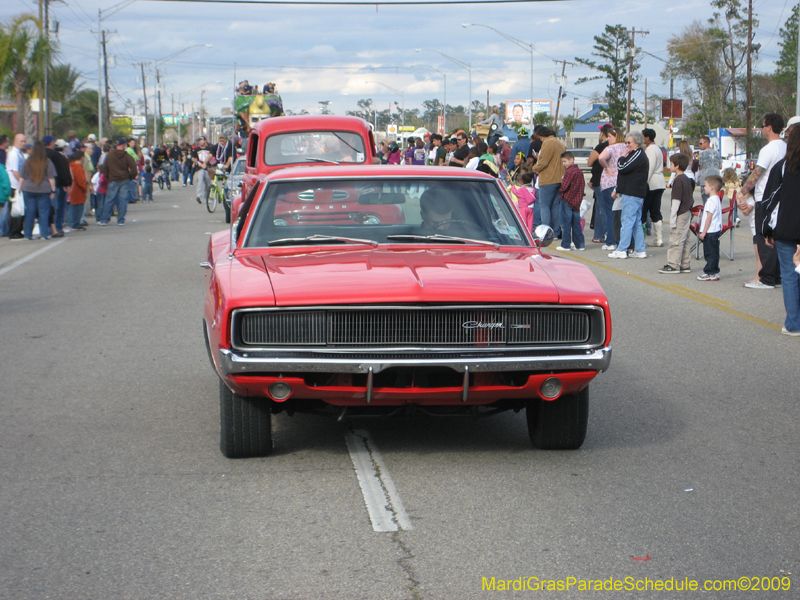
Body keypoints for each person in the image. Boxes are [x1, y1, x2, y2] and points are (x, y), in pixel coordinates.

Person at [738, 113, 786, 290]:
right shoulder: (785, 147)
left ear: (770, 127)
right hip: (781, 199)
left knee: (763, 238)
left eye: (763, 125)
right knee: (777, 240)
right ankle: (776, 276)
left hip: (765, 199)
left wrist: (742, 192)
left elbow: (757, 173)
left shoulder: (768, 149)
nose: (762, 128)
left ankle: (766, 279)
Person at [762, 119, 800, 335]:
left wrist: (767, 229)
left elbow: (770, 200)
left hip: (786, 229)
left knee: (789, 275)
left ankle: (794, 324)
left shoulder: (783, 167)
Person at [608, 132, 649, 259]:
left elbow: (622, 167)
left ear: (637, 143)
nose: (627, 145)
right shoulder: (637, 154)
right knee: (636, 222)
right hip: (633, 192)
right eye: (626, 142)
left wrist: (621, 157)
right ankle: (640, 249)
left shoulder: (637, 154)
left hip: (632, 193)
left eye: (629, 142)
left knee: (626, 221)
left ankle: (622, 249)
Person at [659, 153, 695, 274]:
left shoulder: (678, 181)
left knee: (676, 239)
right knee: (684, 239)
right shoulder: (686, 179)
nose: (670, 166)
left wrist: (672, 218)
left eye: (671, 164)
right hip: (687, 212)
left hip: (680, 213)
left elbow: (676, 201)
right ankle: (685, 263)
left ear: (677, 166)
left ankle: (673, 264)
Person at [530, 126, 565, 235]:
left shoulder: (547, 143)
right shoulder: (560, 143)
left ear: (542, 136)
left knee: (544, 205)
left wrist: (533, 168)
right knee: (555, 206)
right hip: (560, 178)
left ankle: (545, 232)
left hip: (548, 178)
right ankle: (556, 231)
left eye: (540, 138)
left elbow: (543, 162)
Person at [19, 141, 56, 240]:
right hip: (44, 190)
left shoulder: (27, 161)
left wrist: (19, 189)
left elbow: (21, 177)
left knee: (30, 212)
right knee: (44, 212)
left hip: (28, 189)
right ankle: (44, 234)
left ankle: (28, 234)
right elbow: (51, 178)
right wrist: (53, 190)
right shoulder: (47, 162)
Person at [598, 128, 627, 251]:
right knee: (621, 213)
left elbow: (601, 158)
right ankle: (621, 239)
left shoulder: (610, 148)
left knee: (610, 212)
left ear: (617, 137)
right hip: (622, 183)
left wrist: (607, 167)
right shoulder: (626, 148)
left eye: (610, 136)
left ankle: (611, 240)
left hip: (609, 183)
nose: (608, 139)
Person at [98, 138, 138, 226]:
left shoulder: (110, 155)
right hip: (124, 179)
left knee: (109, 200)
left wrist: (109, 176)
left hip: (113, 179)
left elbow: (104, 168)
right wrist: (130, 177)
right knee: (123, 200)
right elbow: (134, 169)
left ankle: (105, 219)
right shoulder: (127, 156)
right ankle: (121, 219)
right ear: (123, 145)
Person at [556, 151, 586, 251]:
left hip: (567, 199)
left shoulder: (569, 172)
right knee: (576, 223)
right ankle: (580, 244)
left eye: (565, 161)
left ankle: (566, 244)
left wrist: (560, 190)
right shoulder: (579, 171)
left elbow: (564, 187)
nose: (564, 164)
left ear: (571, 160)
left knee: (566, 223)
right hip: (576, 201)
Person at [43, 135, 72, 237]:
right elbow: (61, 170)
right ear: (51, 143)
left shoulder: (39, 154)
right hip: (57, 184)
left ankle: (45, 228)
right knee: (58, 207)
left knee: (45, 208)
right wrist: (67, 183)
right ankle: (57, 227)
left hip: (41, 185)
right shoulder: (56, 155)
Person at [588, 124, 612, 243]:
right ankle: (598, 234)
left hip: (601, 180)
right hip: (611, 180)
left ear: (603, 133)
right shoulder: (618, 146)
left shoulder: (602, 146)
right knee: (601, 207)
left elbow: (590, 161)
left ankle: (603, 234)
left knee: (601, 208)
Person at [642, 128, 666, 247]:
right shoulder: (657, 148)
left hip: (651, 182)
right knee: (655, 210)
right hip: (659, 182)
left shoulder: (651, 149)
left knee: (644, 210)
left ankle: (642, 239)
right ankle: (659, 238)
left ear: (647, 138)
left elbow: (649, 168)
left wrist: (643, 182)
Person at [697, 175, 724, 281]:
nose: (704, 187)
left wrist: (703, 232)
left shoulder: (711, 201)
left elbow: (709, 217)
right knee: (714, 251)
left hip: (710, 230)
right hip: (715, 229)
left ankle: (710, 272)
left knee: (710, 252)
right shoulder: (717, 199)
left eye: (706, 185)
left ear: (712, 187)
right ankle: (714, 271)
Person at [6, 133, 27, 239]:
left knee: (20, 208)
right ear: (16, 141)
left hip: (18, 185)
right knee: (15, 209)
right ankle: (14, 231)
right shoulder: (13, 154)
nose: (23, 143)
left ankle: (18, 229)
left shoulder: (19, 153)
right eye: (21, 141)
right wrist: (21, 182)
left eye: (24, 141)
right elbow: (15, 171)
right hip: (14, 185)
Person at [697, 135, 721, 203]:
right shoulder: (717, 153)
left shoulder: (702, 153)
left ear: (707, 142)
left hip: (706, 179)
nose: (700, 145)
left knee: (706, 201)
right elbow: (720, 166)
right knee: (715, 200)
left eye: (701, 143)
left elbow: (700, 167)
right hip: (716, 180)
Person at [67, 151, 88, 231]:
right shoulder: (78, 167)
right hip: (78, 190)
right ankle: (75, 223)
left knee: (72, 207)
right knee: (78, 208)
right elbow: (80, 181)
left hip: (71, 189)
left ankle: (71, 223)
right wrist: (84, 189)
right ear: (82, 158)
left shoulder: (70, 166)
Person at [192, 136, 213, 204]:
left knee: (208, 184)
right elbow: (192, 158)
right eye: (200, 140)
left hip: (207, 168)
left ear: (205, 141)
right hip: (200, 168)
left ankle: (208, 197)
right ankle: (199, 196)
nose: (201, 142)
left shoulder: (209, 149)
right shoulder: (196, 150)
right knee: (200, 182)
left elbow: (213, 157)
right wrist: (197, 162)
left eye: (202, 140)